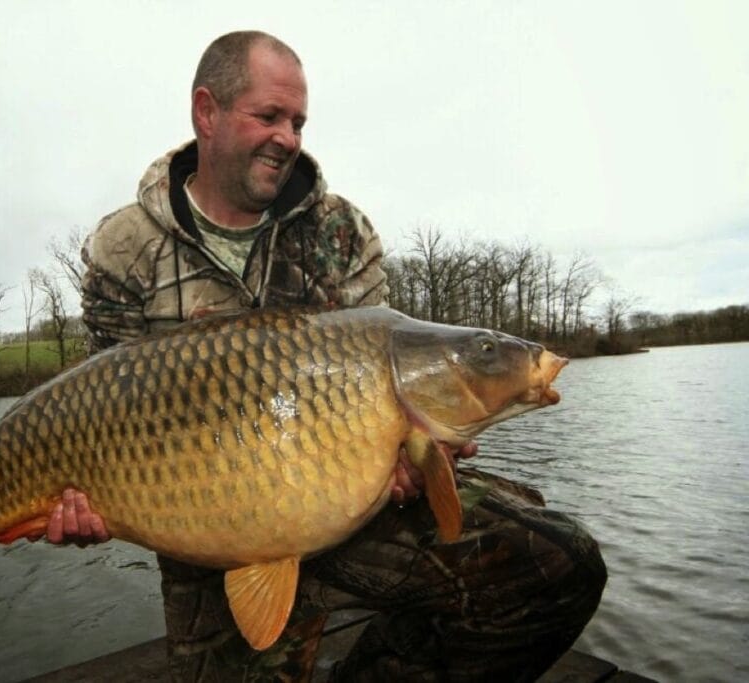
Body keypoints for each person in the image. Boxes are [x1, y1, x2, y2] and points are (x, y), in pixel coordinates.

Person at [44, 31, 606, 681]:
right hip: (206, 531)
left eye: (299, 121)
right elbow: (104, 403)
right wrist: (85, 502)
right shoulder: (126, 245)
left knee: (555, 561)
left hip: (352, 516)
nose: (289, 136)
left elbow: (404, 407)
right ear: (207, 111)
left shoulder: (343, 231)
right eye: (269, 116)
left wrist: (422, 455)